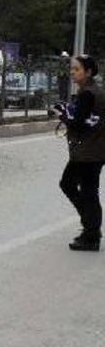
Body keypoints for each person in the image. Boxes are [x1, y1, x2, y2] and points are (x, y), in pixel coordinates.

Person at [53, 55, 105, 252]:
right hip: (96, 149)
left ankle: (91, 232)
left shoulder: (87, 94)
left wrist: (62, 114)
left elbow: (78, 123)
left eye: (77, 69)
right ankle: (91, 229)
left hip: (87, 152)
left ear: (88, 72)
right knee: (88, 190)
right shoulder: (96, 91)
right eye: (72, 69)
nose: (72, 73)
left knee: (74, 186)